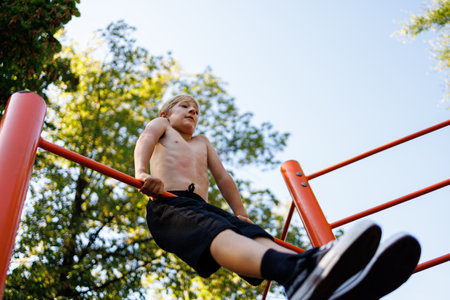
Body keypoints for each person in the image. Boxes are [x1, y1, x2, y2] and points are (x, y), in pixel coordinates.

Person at [134, 94, 421, 299]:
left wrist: (240, 212)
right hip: (169, 201)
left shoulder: (202, 142)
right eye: (184, 106)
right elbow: (145, 139)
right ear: (165, 113)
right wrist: (142, 173)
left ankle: (318, 271)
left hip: (204, 207)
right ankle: (294, 272)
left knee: (250, 231)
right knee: (214, 231)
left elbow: (223, 178)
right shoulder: (162, 128)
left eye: (196, 110)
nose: (192, 112)